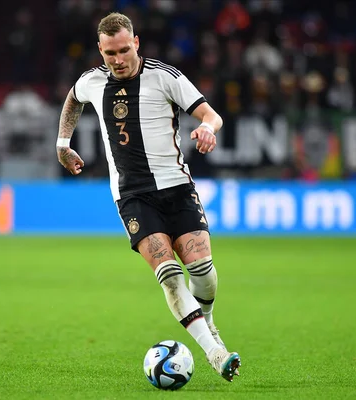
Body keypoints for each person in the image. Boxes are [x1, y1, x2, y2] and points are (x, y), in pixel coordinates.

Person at [56, 12, 241, 382]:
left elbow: (212, 115)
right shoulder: (92, 81)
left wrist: (206, 127)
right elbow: (72, 100)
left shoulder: (165, 76)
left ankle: (208, 323)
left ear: (136, 43)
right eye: (110, 53)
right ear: (100, 50)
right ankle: (213, 349)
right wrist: (63, 143)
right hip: (133, 196)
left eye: (124, 50)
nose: (118, 59)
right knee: (170, 275)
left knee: (203, 273)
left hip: (177, 188)